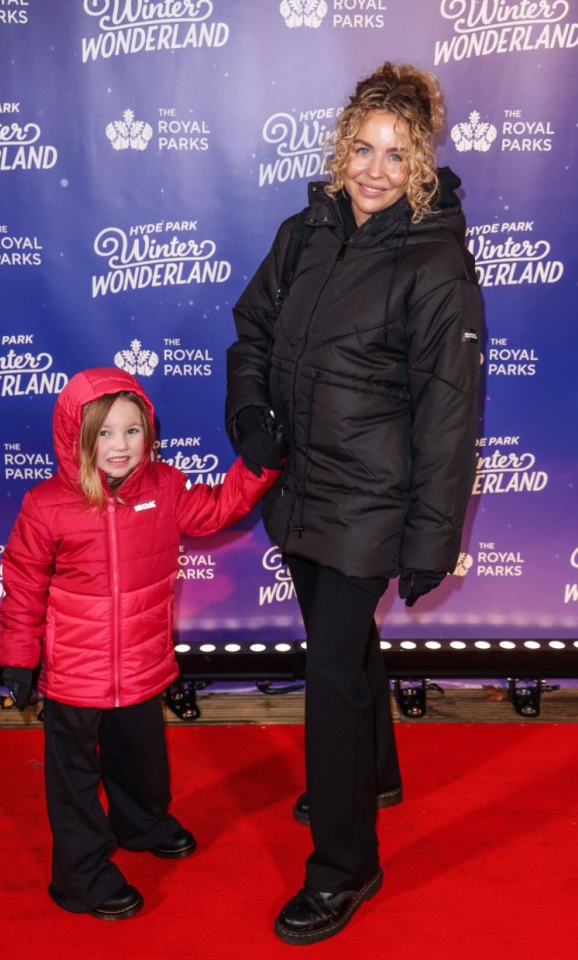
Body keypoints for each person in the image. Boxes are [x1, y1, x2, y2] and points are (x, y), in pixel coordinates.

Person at [226, 62, 483, 945]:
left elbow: (451, 410)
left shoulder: (436, 260)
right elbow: (253, 327)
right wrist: (249, 410)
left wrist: (431, 538)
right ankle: (374, 773)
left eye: (397, 155)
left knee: (330, 678)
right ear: (343, 146)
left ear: (421, 164)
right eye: (363, 148)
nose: (375, 169)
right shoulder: (307, 230)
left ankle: (346, 866)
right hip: (301, 486)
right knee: (347, 647)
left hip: (372, 502)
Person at [0, 366, 282, 920]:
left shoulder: (166, 487)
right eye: (104, 433)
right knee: (75, 781)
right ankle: (80, 879)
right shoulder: (46, 504)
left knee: (143, 759)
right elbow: (24, 582)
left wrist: (258, 465)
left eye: (132, 431)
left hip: (142, 661)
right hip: (74, 673)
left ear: (149, 434)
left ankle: (142, 823)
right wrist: (17, 655)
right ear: (76, 437)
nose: (120, 446)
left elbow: (221, 508)